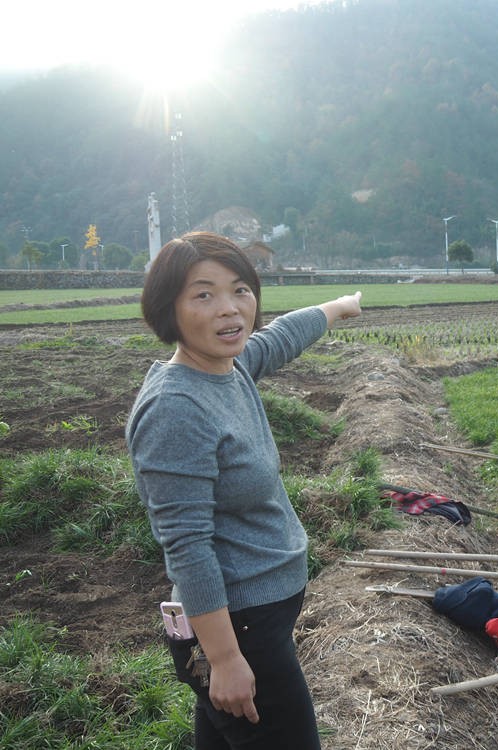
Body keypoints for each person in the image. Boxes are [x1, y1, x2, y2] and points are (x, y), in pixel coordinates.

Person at [126, 231, 362, 749]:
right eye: (203, 294)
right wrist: (225, 659)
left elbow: (279, 338)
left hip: (256, 621)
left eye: (240, 289)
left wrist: (339, 307)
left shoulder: (225, 370)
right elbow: (187, 545)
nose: (230, 310)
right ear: (170, 309)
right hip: (238, 629)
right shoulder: (176, 408)